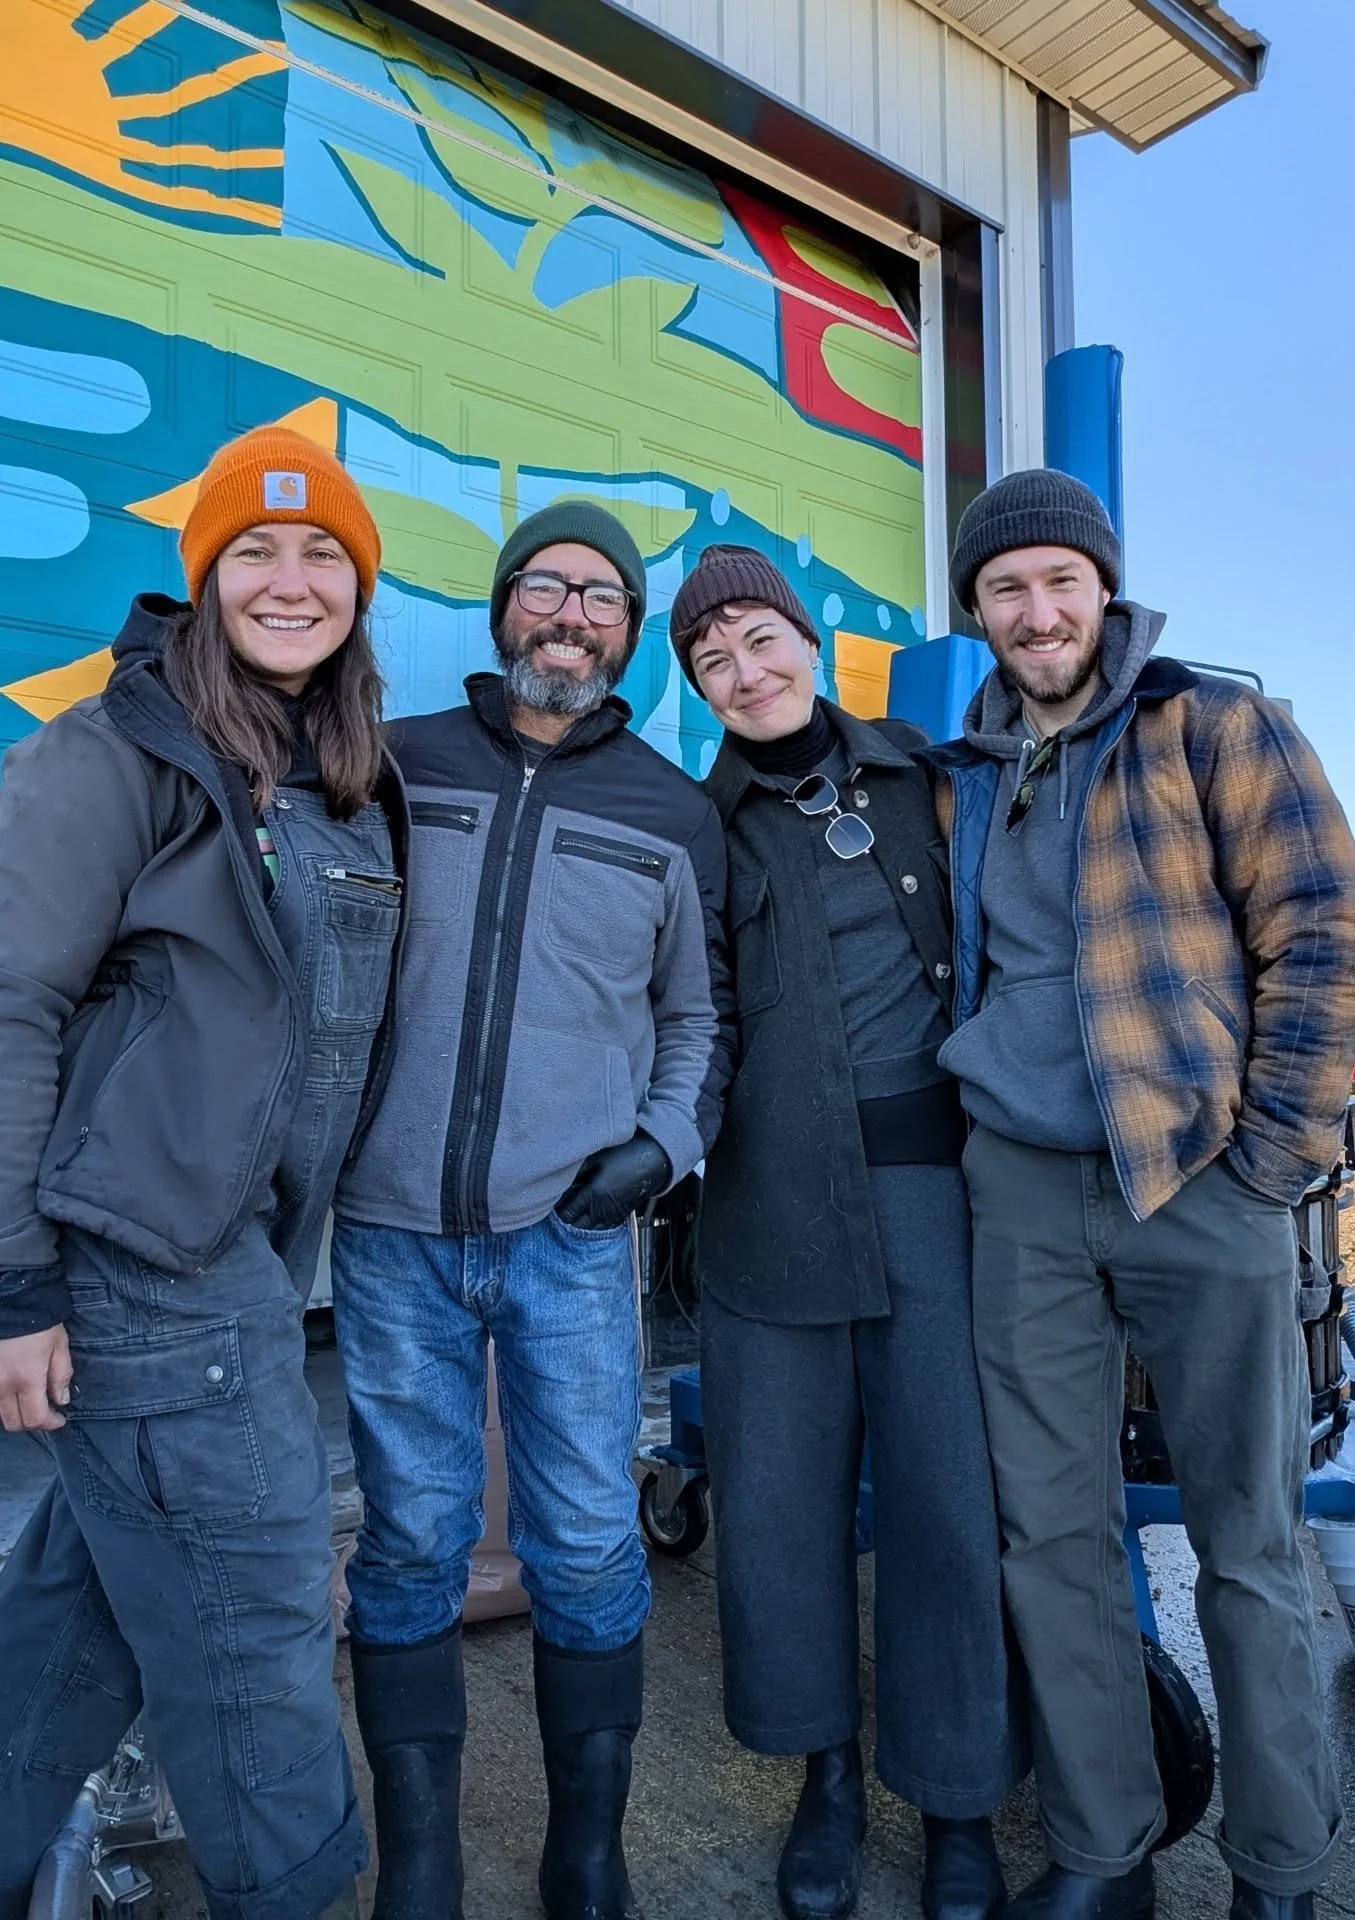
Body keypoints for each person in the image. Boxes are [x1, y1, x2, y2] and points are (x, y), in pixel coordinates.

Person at [930, 469, 1355, 1920]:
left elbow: (1327, 931)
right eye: (1007, 589)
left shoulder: (1213, 726)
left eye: (1061, 581)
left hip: (1200, 1180)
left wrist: (1268, 1163)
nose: (1037, 609)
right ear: (980, 614)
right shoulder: (972, 772)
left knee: (1247, 1543)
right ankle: (1102, 1849)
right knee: (1049, 1536)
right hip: (1020, 1190)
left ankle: (1281, 1868)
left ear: (1104, 592)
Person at [0, 425, 404, 1920]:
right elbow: (9, 1004)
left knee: (77, 1622)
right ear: (205, 575)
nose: (290, 580)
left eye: (323, 554)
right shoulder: (117, 753)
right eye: (255, 549)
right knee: (259, 1649)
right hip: (147, 1277)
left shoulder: (344, 774)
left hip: (244, 1265)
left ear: (359, 588)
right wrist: (14, 1285)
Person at [328, 501, 733, 1920]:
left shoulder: (671, 813)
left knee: (585, 1538)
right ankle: (424, 1862)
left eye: (604, 600)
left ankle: (588, 1854)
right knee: (412, 1538)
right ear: (505, 611)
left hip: (571, 1240)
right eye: (548, 588)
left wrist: (665, 1144)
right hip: (388, 1234)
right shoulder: (392, 765)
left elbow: (699, 1016)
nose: (573, 615)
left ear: (630, 638)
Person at [668, 545, 1024, 1920]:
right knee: (776, 1511)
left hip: (940, 1204)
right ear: (698, 689)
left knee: (949, 1504)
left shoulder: (940, 782)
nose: (746, 674)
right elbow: (686, 1013)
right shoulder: (698, 831)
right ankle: (823, 1774)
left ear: (809, 644)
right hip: (767, 1208)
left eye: (760, 641)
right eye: (713, 662)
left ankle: (957, 1798)